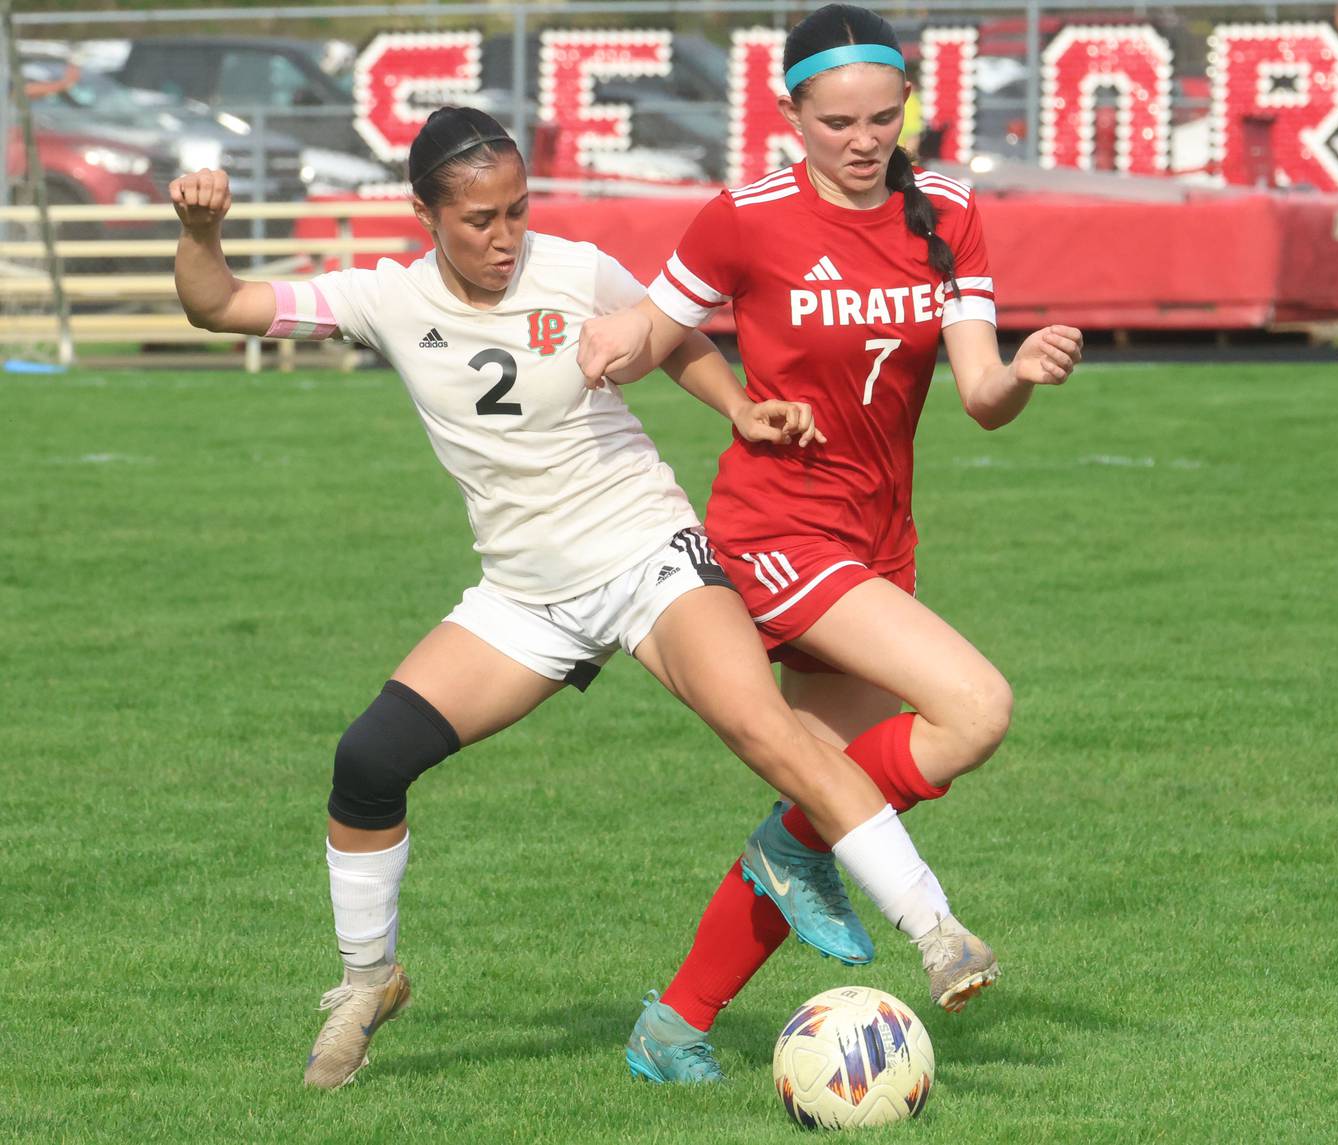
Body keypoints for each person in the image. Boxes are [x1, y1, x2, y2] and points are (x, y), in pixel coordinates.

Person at [170, 105, 978, 1090]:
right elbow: (220, 306)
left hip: (650, 556)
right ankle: (367, 978)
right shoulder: (381, 295)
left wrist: (737, 407)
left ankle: (935, 929)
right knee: (368, 760)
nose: (505, 237)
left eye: (517, 210)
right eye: (479, 220)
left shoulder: (579, 268)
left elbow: (672, 337)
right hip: (525, 595)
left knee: (764, 725)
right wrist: (202, 234)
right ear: (425, 212)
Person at [579, 4, 1083, 1083]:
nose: (865, 141)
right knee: (976, 706)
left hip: (878, 535)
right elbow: (659, 334)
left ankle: (675, 1023)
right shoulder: (744, 215)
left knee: (829, 791)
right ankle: (868, 888)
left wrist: (1022, 374)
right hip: (773, 529)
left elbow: (981, 393)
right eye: (840, 121)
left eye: (884, 118)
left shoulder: (944, 205)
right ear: (791, 113)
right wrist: (614, 338)